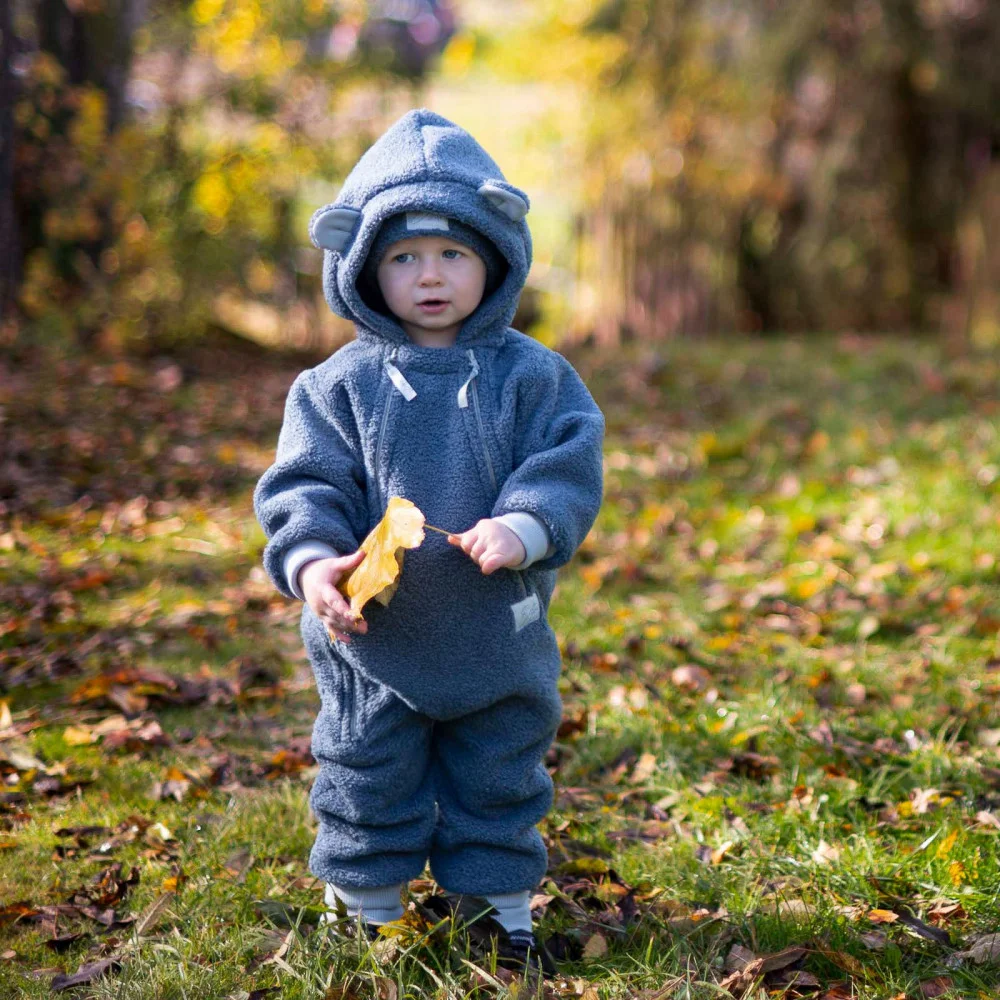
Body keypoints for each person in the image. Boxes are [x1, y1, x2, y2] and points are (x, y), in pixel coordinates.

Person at [253, 109, 604, 970]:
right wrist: (313, 565)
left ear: (494, 257)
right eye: (404, 257)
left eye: (453, 253)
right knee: (366, 769)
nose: (431, 276)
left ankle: (497, 908)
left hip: (497, 632)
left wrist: (525, 526)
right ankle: (365, 903)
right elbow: (306, 486)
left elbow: (566, 459)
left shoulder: (533, 375)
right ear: (365, 269)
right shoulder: (337, 386)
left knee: (499, 772)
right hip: (372, 639)